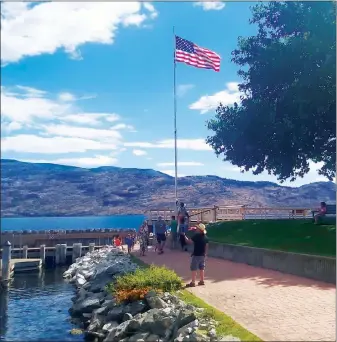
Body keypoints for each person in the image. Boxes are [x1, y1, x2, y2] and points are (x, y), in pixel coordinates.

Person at [183, 223, 209, 287]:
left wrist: (184, 236)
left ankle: (193, 282)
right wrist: (205, 254)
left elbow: (188, 241)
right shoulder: (206, 237)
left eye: (197, 228)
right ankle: (202, 281)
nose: (196, 229)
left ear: (200, 229)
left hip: (196, 255)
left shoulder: (196, 236)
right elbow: (206, 246)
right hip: (202, 255)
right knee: (201, 268)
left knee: (194, 268)